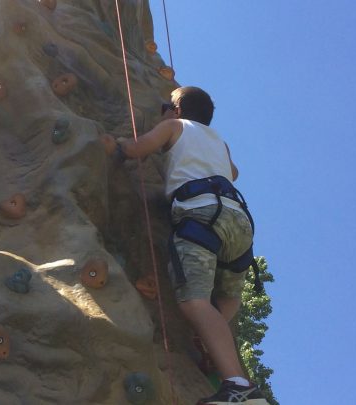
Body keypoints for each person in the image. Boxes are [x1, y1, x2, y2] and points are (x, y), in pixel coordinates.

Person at [105, 87, 268, 404]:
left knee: (193, 302)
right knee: (227, 296)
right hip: (239, 221)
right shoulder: (218, 141)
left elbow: (140, 148)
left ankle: (239, 387)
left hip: (201, 216)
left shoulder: (173, 126)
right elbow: (232, 172)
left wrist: (121, 146)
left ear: (176, 109)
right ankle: (212, 340)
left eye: (169, 105)